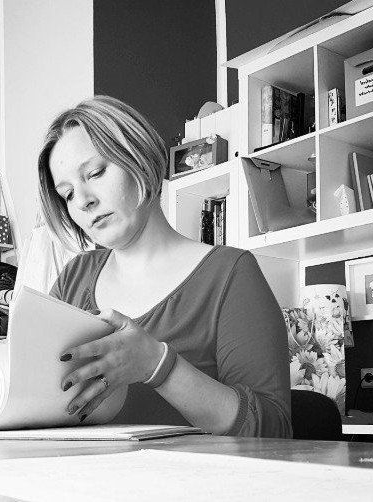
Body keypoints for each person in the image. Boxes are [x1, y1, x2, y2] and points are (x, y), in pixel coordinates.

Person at [38, 95, 291, 438]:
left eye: (95, 173)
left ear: (139, 159)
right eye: (67, 194)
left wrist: (158, 365)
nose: (82, 201)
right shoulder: (73, 278)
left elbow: (274, 432)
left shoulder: (230, 274)